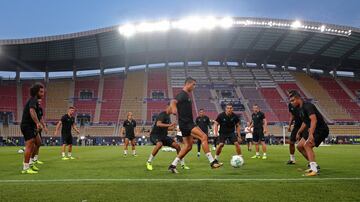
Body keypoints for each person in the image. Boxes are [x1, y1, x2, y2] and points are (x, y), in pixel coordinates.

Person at [168, 77, 222, 173]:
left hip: (184, 124)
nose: (194, 87)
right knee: (204, 136)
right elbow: (173, 101)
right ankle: (212, 162)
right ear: (188, 84)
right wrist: (174, 109)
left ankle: (173, 165)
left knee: (188, 146)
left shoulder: (186, 95)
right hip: (187, 123)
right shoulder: (183, 94)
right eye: (193, 85)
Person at [289, 90, 328, 176]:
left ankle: (314, 170)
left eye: (292, 100)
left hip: (320, 129)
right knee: (299, 146)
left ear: (298, 99)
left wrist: (310, 134)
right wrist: (299, 132)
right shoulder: (299, 109)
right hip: (312, 128)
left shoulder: (308, 106)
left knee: (307, 145)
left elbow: (314, 120)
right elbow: (306, 122)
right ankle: (314, 165)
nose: (291, 103)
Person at [146, 103, 190, 171]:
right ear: (168, 107)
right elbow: (158, 124)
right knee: (159, 144)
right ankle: (149, 162)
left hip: (164, 136)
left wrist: (173, 128)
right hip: (155, 135)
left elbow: (166, 128)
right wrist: (169, 125)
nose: (174, 109)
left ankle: (183, 164)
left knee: (177, 146)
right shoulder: (162, 114)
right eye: (172, 107)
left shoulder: (168, 116)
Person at [20, 83, 45, 174]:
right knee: (29, 146)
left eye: (43, 92)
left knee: (38, 142)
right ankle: (25, 168)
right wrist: (37, 123)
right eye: (41, 92)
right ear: (36, 92)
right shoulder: (33, 99)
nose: (43, 94)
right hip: (27, 126)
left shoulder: (36, 101)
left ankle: (30, 163)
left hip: (32, 126)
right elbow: (31, 110)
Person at [31, 99, 48, 165]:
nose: (40, 102)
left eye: (41, 101)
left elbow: (41, 118)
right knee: (32, 144)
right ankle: (29, 161)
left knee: (38, 144)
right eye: (38, 101)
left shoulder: (40, 109)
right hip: (32, 127)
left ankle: (35, 159)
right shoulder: (32, 108)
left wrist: (45, 127)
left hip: (38, 128)